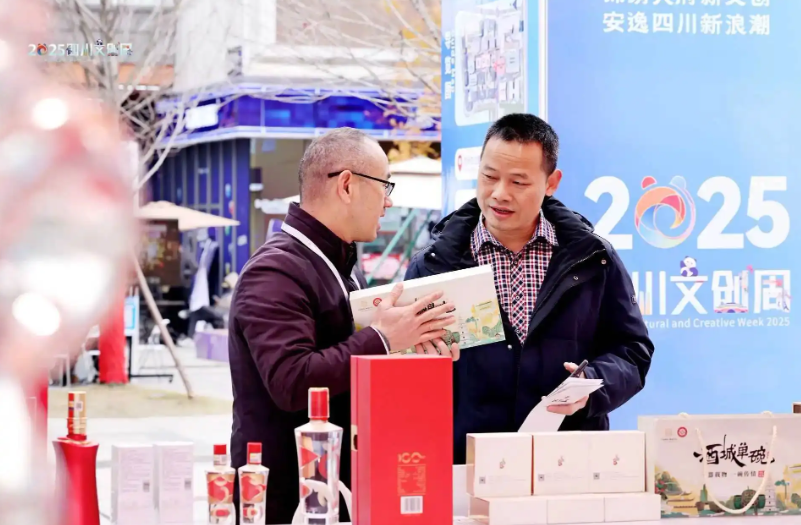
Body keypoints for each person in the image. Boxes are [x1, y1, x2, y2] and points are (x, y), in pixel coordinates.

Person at [227, 127, 457, 524]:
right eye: (384, 186)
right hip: (285, 501)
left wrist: (412, 348)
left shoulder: (340, 265)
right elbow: (291, 381)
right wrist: (382, 338)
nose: (388, 202)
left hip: (336, 490)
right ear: (347, 185)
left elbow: (348, 370)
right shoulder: (275, 270)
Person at [405, 113, 655, 464]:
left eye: (518, 182)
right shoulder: (433, 265)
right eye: (489, 177)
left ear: (551, 183)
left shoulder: (593, 259)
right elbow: (406, 377)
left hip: (569, 461)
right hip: (468, 463)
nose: (499, 194)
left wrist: (592, 384)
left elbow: (632, 350)